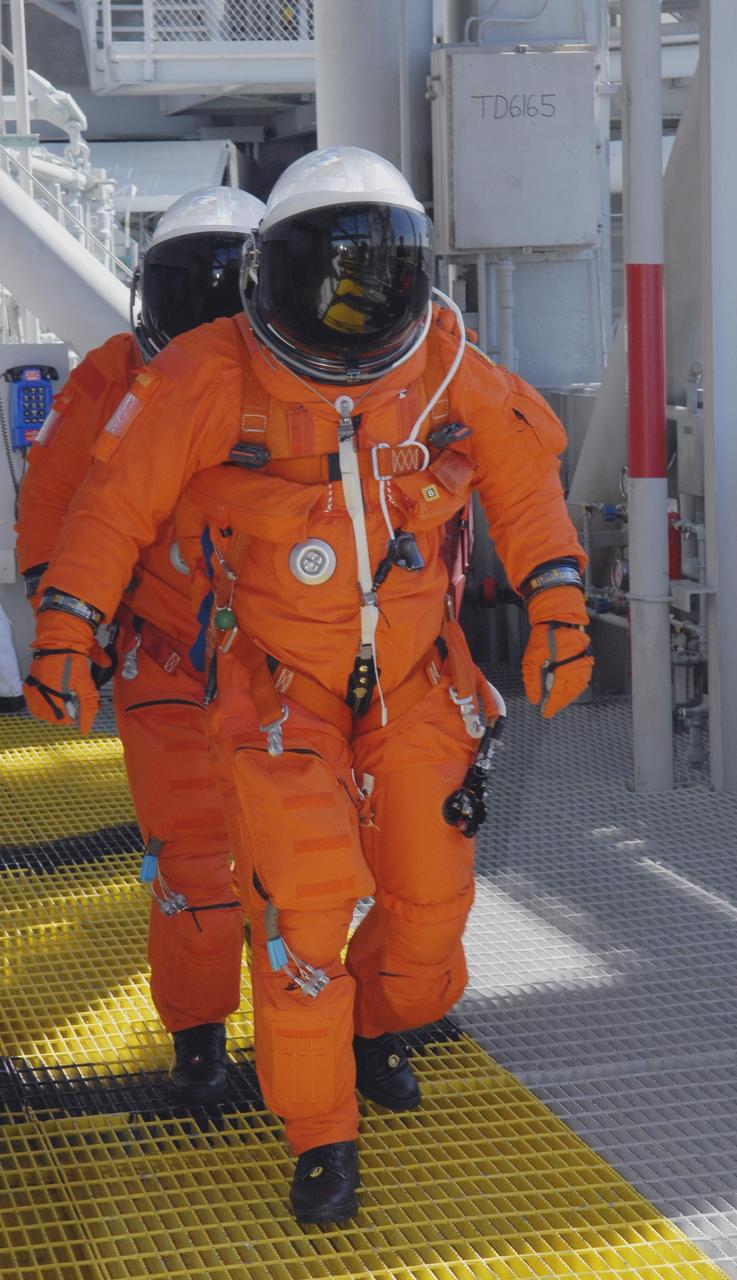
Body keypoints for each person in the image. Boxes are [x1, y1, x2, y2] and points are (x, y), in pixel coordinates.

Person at [24, 146, 592, 1224]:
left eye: (375, 281)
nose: (349, 314)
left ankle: (379, 1026)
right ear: (265, 282)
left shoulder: (444, 364)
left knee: (429, 906)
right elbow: (107, 503)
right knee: (299, 916)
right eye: (323, 281)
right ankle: (320, 1128)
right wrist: (66, 621)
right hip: (274, 688)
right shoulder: (204, 378)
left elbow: (523, 481)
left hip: (416, 684)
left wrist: (557, 601)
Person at [16, 185, 265, 1103]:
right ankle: (199, 1035)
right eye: (185, 294)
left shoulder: (310, 382)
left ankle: (338, 1039)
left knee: (311, 871)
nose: (205, 322)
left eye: (224, 295)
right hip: (169, 658)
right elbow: (53, 504)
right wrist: (62, 631)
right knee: (197, 864)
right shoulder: (110, 380)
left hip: (293, 666)